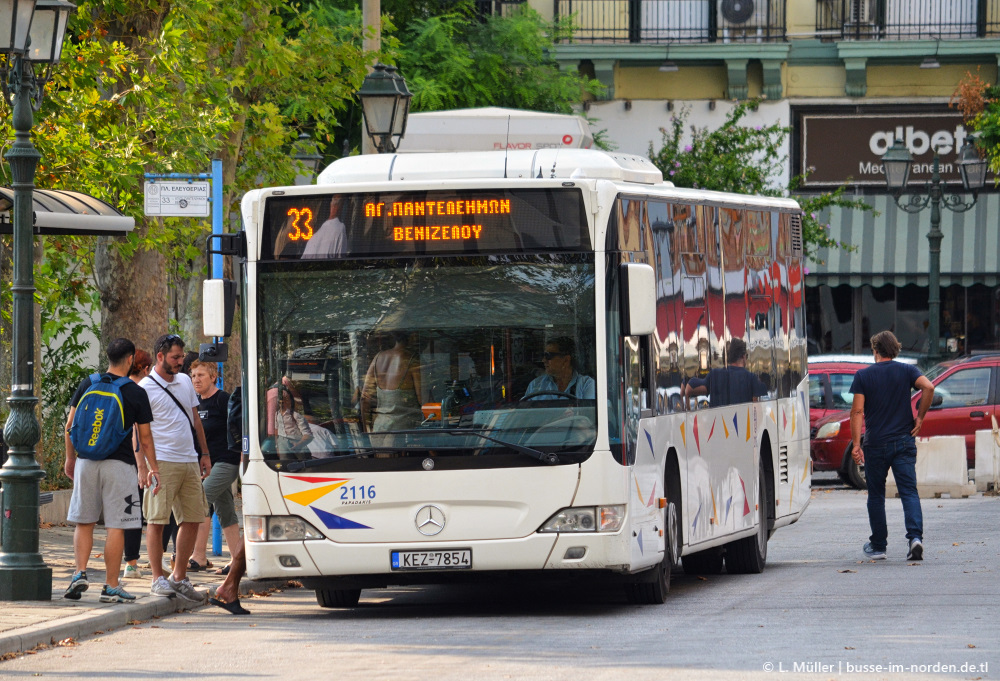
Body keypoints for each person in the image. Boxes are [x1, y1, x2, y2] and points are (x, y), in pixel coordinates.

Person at [63, 338, 157, 603]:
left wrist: (71, 459)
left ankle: (79, 573)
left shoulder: (88, 384)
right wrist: (153, 468)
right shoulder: (135, 392)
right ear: (130, 360)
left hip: (86, 462)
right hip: (120, 466)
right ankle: (111, 585)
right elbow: (146, 439)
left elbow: (69, 426)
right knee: (117, 525)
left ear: (108, 358)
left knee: (85, 522)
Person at [849, 330, 935, 561]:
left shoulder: (863, 376)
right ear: (895, 349)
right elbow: (929, 387)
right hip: (904, 440)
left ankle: (878, 546)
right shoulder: (907, 370)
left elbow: (857, 411)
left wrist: (856, 444)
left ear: (875, 351)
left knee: (876, 495)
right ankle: (915, 538)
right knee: (908, 491)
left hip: (876, 444)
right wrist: (920, 417)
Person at [140, 334, 212, 602]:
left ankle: (179, 576)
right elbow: (139, 433)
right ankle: (157, 578)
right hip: (162, 461)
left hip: (189, 459)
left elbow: (195, 419)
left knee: (193, 517)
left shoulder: (184, 381)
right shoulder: (146, 388)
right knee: (157, 520)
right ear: (160, 357)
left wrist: (204, 453)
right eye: (175, 358)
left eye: (182, 357)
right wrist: (145, 466)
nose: (181, 362)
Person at [189, 360, 242, 574]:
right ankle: (238, 561)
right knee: (225, 511)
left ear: (213, 377)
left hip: (227, 461)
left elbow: (238, 429)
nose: (196, 379)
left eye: (201, 375)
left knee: (201, 500)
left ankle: (198, 556)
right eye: (193, 376)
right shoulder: (195, 403)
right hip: (207, 465)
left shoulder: (224, 400)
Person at [122, 348, 154, 581]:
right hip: (137, 459)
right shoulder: (140, 390)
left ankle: (130, 563)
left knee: (130, 512)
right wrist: (143, 465)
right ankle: (154, 556)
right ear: (145, 368)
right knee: (155, 512)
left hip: (120, 459)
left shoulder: (118, 387)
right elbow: (139, 432)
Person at [361, 331, 423, 431]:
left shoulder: (377, 358)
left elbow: (364, 398)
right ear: (412, 336)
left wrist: (364, 430)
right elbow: (422, 399)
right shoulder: (412, 360)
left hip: (380, 427)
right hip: (404, 430)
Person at [684, 338, 768, 407]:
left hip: (718, 425)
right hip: (743, 426)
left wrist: (690, 414)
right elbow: (757, 414)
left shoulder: (714, 375)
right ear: (743, 356)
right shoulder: (751, 378)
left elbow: (688, 389)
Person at [524, 337, 595, 400]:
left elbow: (590, 413)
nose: (543, 360)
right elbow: (525, 412)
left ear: (566, 360)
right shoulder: (536, 385)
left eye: (548, 356)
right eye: (543, 355)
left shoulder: (586, 385)